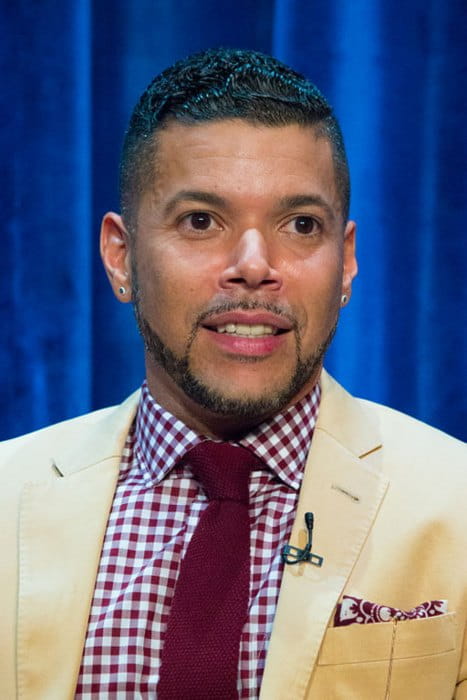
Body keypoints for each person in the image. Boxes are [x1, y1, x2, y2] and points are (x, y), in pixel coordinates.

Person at [1, 48, 466, 700]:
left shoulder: (456, 507)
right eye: (201, 221)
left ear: (346, 263)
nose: (254, 265)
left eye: (300, 224)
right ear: (121, 257)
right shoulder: (7, 499)